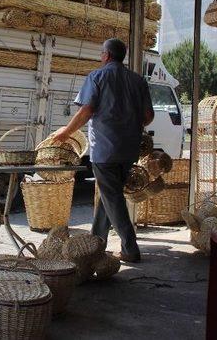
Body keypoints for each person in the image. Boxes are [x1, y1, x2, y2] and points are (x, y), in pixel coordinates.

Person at [53, 38, 154, 263]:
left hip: (105, 150)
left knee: (112, 197)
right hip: (129, 150)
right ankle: (96, 243)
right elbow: (148, 117)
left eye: (101, 53)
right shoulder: (138, 81)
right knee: (110, 196)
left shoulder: (96, 77)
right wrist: (129, 120)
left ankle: (130, 248)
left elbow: (86, 110)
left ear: (106, 55)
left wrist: (66, 133)